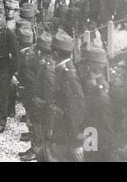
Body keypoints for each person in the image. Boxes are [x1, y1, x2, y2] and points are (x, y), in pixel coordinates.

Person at [50, 30, 85, 162]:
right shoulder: (63, 70)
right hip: (62, 131)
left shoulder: (68, 75)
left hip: (68, 136)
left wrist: (77, 143)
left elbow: (77, 110)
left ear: (56, 53)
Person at [79, 43, 118, 162]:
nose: (78, 69)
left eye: (80, 65)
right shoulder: (94, 90)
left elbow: (107, 139)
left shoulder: (100, 96)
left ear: (87, 69)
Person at [20, 32, 55, 161]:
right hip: (39, 102)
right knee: (36, 125)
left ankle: (37, 150)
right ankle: (35, 148)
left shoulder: (46, 66)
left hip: (43, 105)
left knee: (40, 127)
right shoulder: (43, 64)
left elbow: (49, 94)